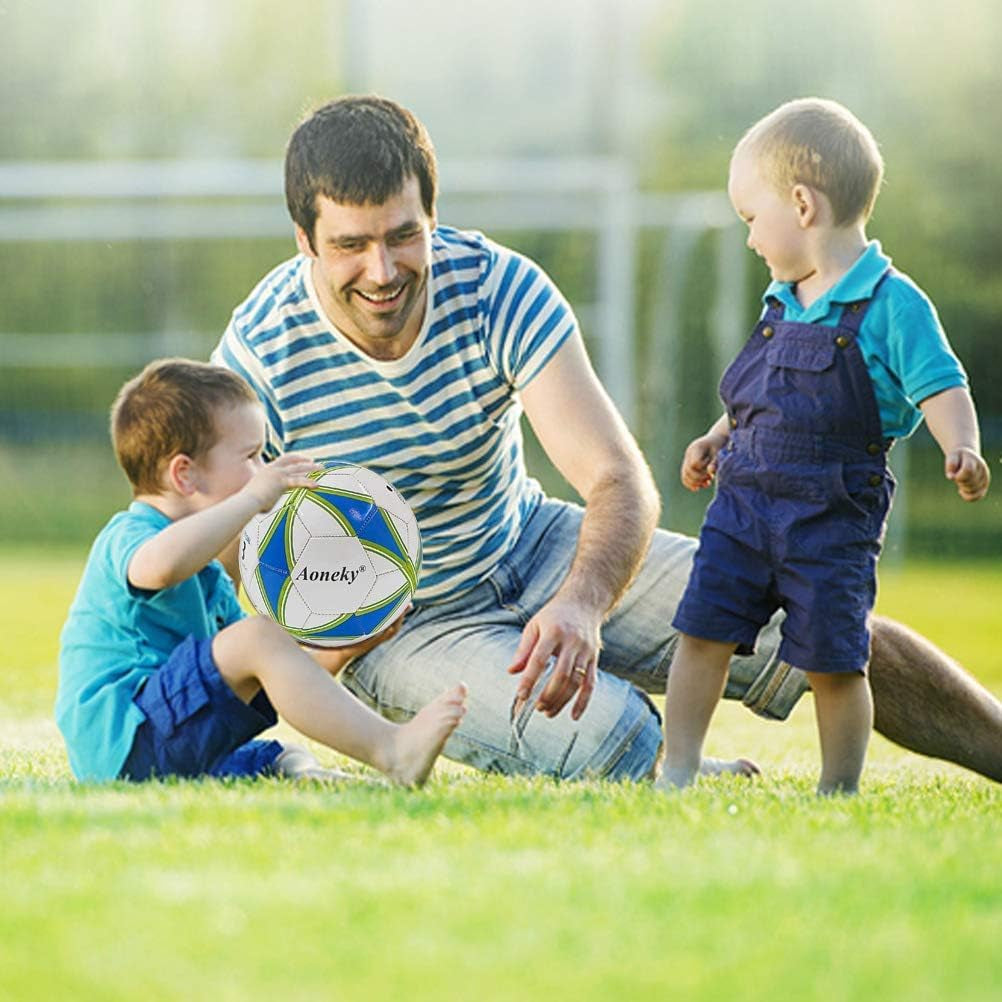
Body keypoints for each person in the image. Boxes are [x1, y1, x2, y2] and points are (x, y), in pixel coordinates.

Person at [213, 94, 1002, 785]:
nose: (383, 270)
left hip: (530, 541)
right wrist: (321, 634)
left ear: (432, 217)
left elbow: (617, 478)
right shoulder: (257, 356)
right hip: (408, 625)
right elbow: (221, 540)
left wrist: (581, 603)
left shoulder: (497, 287)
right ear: (304, 240)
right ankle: (674, 765)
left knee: (833, 633)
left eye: (403, 236)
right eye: (351, 244)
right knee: (612, 734)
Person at [658, 98, 991, 795]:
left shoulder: (895, 304)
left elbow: (941, 384)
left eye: (752, 218)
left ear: (802, 205)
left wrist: (960, 446)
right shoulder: (781, 300)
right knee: (701, 632)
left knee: (837, 661)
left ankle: (838, 786)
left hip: (830, 521)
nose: (750, 239)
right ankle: (680, 767)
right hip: (744, 506)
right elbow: (758, 398)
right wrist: (717, 437)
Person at [55, 358, 467, 785]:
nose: (262, 470)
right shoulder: (131, 534)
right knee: (255, 635)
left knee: (283, 755)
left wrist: (344, 649)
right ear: (185, 474)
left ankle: (323, 779)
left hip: (173, 738)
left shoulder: (210, 577)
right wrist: (252, 499)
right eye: (251, 456)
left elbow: (265, 676)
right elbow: (159, 568)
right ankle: (393, 751)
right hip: (128, 739)